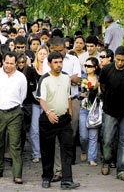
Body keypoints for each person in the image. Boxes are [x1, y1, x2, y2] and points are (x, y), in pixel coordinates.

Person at [37, 51, 80, 190]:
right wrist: (48, 113)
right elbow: (41, 99)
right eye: (55, 62)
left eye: (60, 62)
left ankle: (67, 180)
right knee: (47, 150)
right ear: (49, 64)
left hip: (64, 119)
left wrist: (70, 113)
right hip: (48, 119)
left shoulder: (66, 77)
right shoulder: (44, 79)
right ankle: (47, 177)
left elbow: (68, 96)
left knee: (67, 149)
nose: (58, 65)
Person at [0, 51, 27, 184]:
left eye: (12, 63)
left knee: (15, 143)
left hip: (14, 112)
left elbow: (23, 95)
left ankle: (17, 174)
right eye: (7, 63)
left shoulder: (21, 77)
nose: (9, 66)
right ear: (3, 62)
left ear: (16, 63)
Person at [99, 46, 124, 181]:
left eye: (123, 60)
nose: (120, 63)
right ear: (114, 58)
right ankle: (106, 161)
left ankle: (122, 169)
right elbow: (102, 86)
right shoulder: (106, 69)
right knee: (107, 139)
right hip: (110, 110)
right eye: (118, 59)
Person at [79, 57, 101, 166]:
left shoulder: (99, 78)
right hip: (84, 108)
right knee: (83, 136)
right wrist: (81, 94)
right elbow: (76, 93)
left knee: (93, 135)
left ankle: (92, 157)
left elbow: (102, 94)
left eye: (89, 66)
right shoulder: (82, 78)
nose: (87, 68)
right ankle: (83, 150)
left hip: (95, 109)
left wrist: (98, 90)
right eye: (85, 66)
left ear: (95, 67)